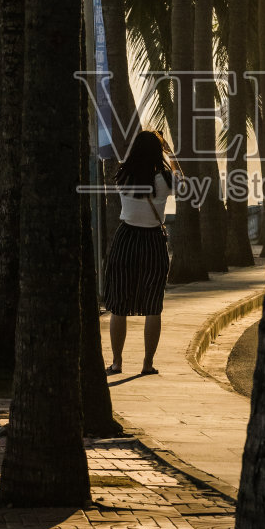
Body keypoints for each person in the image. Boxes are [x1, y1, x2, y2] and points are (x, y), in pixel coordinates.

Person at [103, 130, 175, 376]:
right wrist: (168, 152)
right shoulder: (165, 180)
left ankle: (116, 362)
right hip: (153, 240)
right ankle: (147, 364)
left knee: (119, 305)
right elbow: (181, 177)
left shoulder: (123, 175)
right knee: (154, 305)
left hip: (126, 239)